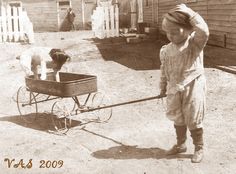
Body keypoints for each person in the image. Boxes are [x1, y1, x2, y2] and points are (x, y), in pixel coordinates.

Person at [158, 4, 209, 163]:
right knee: (178, 117)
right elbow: (164, 70)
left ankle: (199, 147)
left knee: (193, 117)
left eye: (175, 32)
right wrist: (162, 87)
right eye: (168, 32)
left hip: (192, 86)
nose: (171, 36)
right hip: (174, 88)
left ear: (188, 29)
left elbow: (204, 31)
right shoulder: (166, 50)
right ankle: (181, 144)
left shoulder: (195, 44)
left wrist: (190, 13)